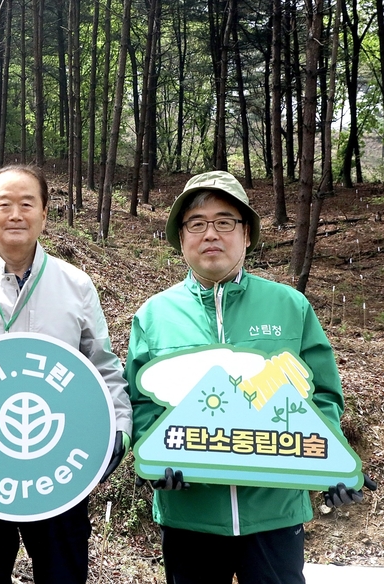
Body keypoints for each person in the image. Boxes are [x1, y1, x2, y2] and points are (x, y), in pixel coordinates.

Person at [124, 170, 376, 584]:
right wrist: (157, 456)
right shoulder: (154, 316)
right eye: (197, 223)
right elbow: (140, 401)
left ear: (246, 235)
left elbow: (324, 395)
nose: (211, 234)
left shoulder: (289, 307)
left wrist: (333, 460)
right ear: (181, 237)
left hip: (274, 512)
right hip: (191, 515)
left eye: (225, 222)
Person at [0, 164, 132, 584]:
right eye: (4, 204)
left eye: (27, 204)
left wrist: (119, 427)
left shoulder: (75, 285)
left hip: (60, 466)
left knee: (63, 575)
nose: (16, 214)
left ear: (45, 214)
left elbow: (103, 366)